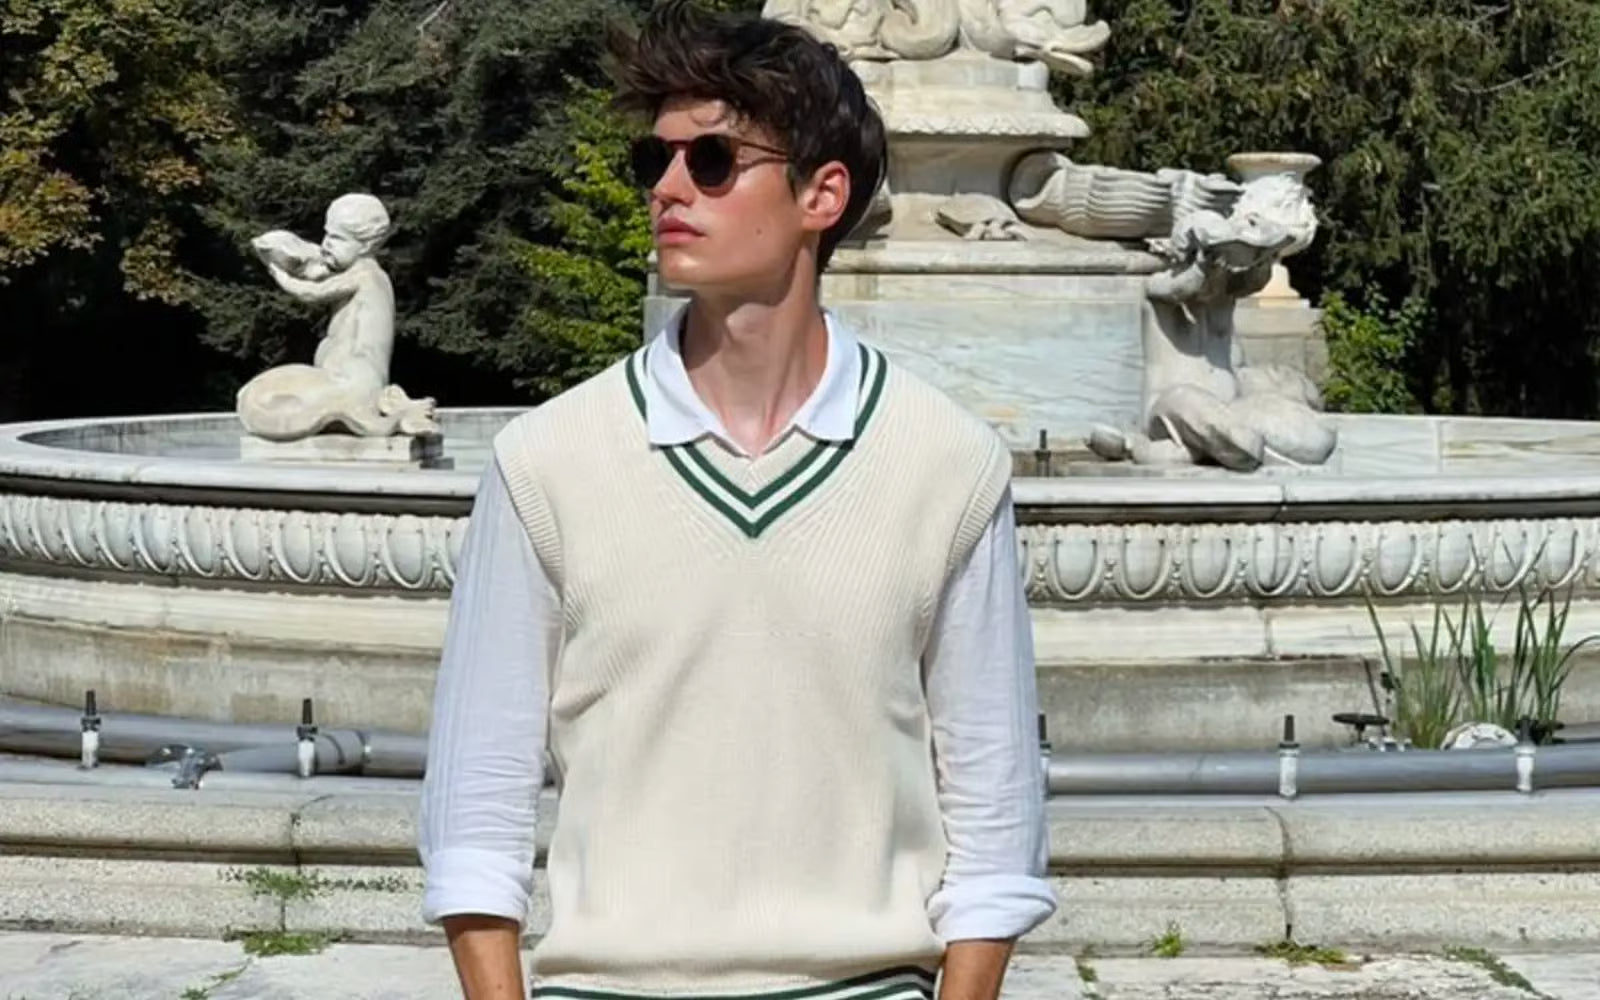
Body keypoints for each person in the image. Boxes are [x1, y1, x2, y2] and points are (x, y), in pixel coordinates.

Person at [416, 3, 1055, 1000]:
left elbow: (995, 807)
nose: (667, 188)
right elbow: (475, 806)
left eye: (712, 161)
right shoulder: (545, 460)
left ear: (822, 194)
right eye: (656, 160)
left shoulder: (947, 462)